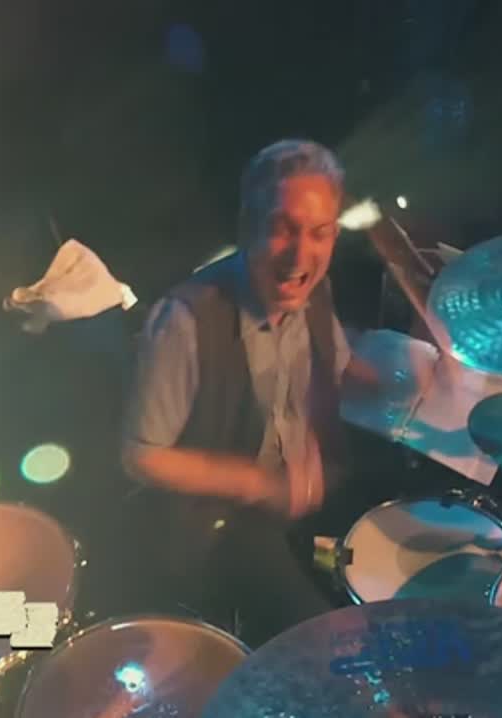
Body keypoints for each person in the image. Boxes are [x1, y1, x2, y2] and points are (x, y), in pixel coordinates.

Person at [121, 139, 377, 645]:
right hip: (224, 521)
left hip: (306, 489)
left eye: (319, 233)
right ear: (248, 226)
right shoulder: (185, 320)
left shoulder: (313, 288)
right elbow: (141, 456)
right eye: (283, 229)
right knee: (329, 641)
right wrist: (257, 482)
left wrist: (414, 382)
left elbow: (337, 369)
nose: (301, 255)